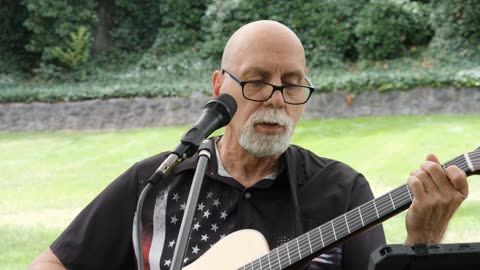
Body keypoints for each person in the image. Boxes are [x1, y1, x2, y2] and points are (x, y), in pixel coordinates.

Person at [29, 20, 468, 270]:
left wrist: (422, 242)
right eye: (258, 80)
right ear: (221, 86)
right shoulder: (157, 181)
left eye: (292, 84)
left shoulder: (341, 190)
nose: (277, 97)